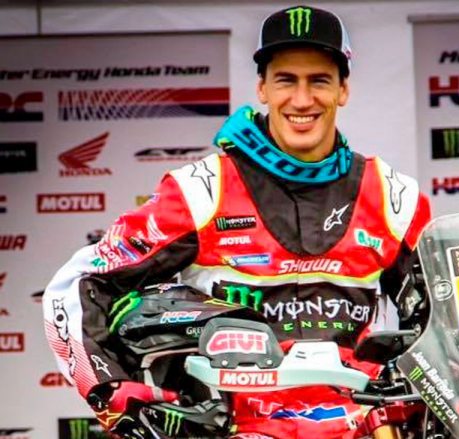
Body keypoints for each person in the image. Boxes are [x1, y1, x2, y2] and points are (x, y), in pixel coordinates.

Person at [43, 4, 431, 439]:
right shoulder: (201, 191)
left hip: (363, 426)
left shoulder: (394, 197)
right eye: (286, 80)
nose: (302, 99)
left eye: (319, 80)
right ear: (262, 88)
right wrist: (111, 391)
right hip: (235, 428)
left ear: (343, 90)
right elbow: (79, 283)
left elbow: (450, 322)